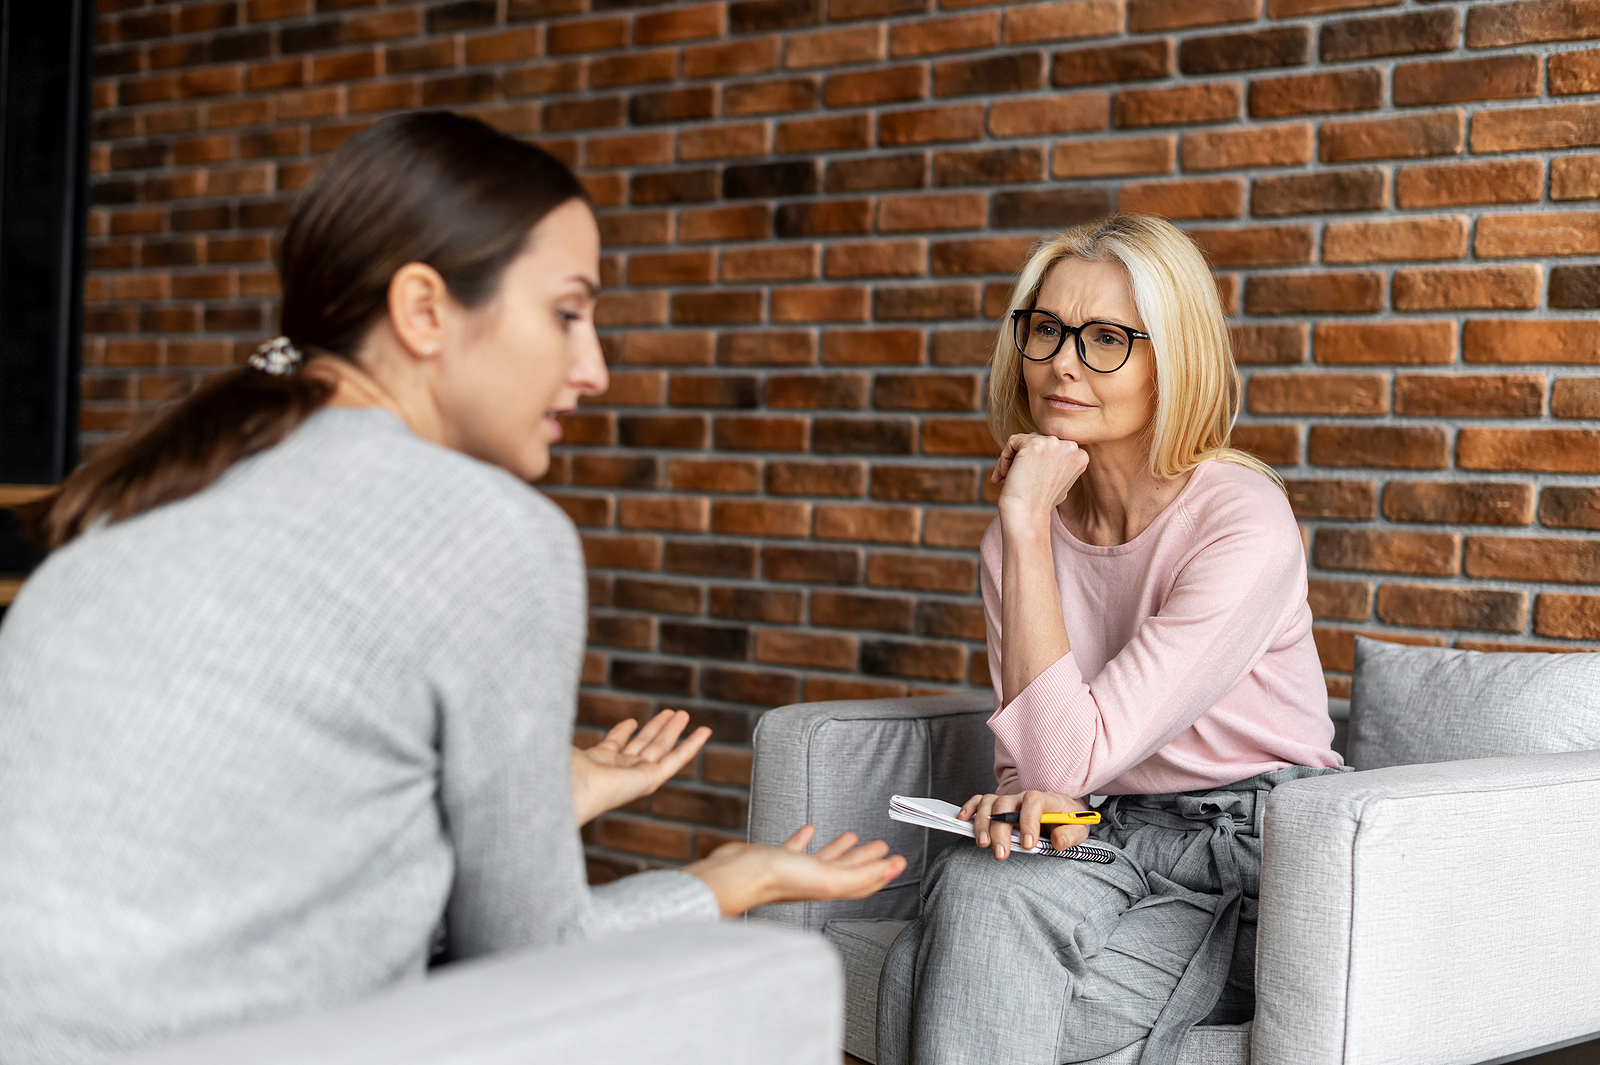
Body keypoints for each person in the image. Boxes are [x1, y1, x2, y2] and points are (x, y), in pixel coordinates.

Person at [0, 111, 903, 1065]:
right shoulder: (491, 531)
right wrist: (728, 879)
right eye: (567, 312)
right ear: (424, 310)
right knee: (772, 978)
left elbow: (253, 856)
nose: (594, 369)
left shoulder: (153, 491)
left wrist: (557, 797)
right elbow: (530, 964)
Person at [874, 215, 1345, 1065]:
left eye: (1105, 339)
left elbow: (1064, 757)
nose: (1062, 361)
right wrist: (1016, 801)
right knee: (978, 888)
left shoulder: (1240, 521)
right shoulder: (1018, 536)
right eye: (1047, 329)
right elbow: (1041, 774)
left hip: (1245, 856)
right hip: (1096, 831)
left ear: (1173, 357)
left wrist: (1021, 523)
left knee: (922, 972)